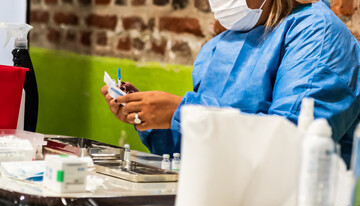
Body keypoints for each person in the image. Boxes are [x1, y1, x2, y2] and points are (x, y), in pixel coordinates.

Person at [101, 0, 360, 168]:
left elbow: (291, 143)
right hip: (216, 202)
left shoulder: (317, 33)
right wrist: (151, 118)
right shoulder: (218, 47)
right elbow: (192, 153)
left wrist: (183, 113)